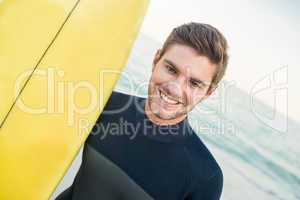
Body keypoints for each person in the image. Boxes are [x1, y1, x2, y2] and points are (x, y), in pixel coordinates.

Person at [56, 22, 229, 200]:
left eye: (194, 83)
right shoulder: (104, 106)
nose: (175, 88)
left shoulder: (205, 176)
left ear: (209, 92)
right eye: (171, 69)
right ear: (156, 60)